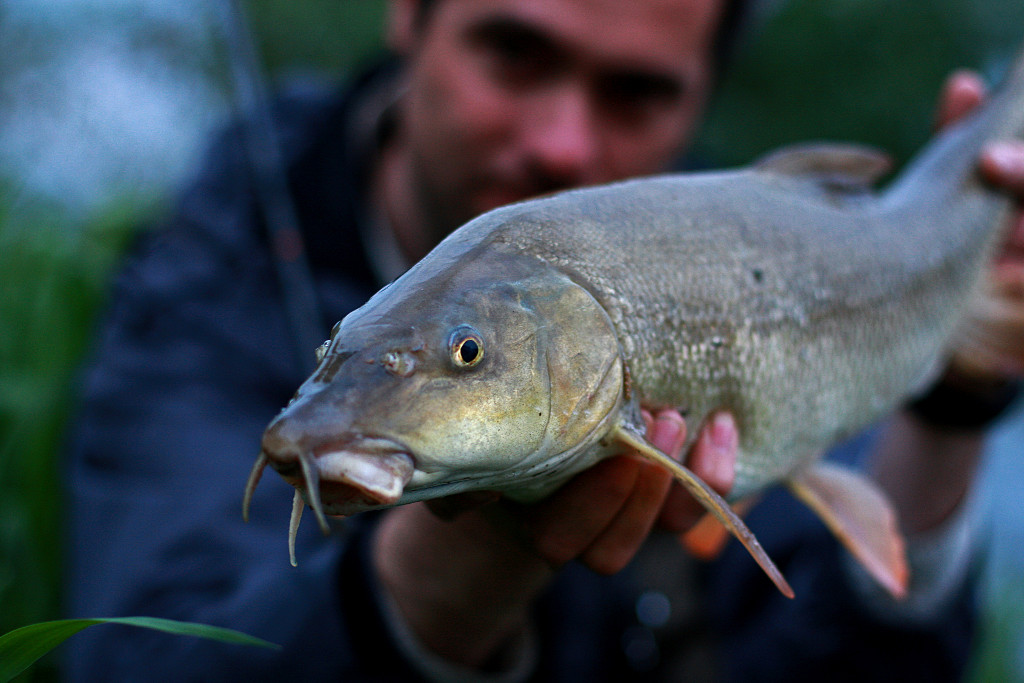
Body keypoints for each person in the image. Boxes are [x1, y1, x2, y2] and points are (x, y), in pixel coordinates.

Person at [64, 0, 1024, 680]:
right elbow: (132, 660)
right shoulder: (205, 279)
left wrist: (955, 402)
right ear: (410, 14)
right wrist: (448, 573)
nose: (564, 143)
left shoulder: (737, 271)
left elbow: (841, 660)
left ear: (702, 94)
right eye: (516, 53)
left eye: (636, 92)